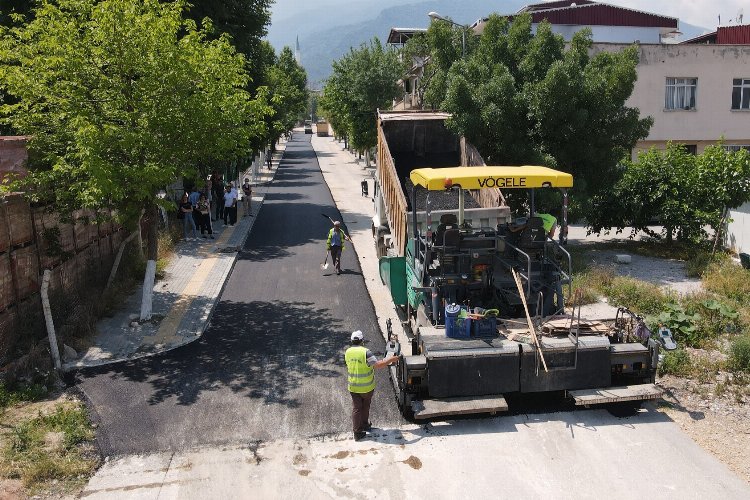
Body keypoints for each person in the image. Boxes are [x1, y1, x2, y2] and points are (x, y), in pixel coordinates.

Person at [345, 330, 398, 441]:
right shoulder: (366, 352)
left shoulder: (347, 352)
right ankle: (364, 425)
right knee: (365, 406)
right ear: (362, 340)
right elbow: (378, 365)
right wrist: (391, 359)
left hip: (353, 387)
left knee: (356, 408)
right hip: (366, 387)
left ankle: (357, 432)